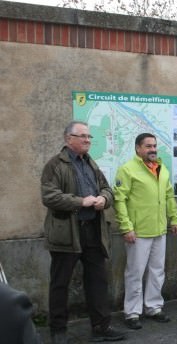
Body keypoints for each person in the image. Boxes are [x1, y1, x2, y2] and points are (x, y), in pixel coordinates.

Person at [41, 121, 125, 343]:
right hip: (66, 233)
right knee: (60, 283)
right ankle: (58, 331)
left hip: (93, 232)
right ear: (68, 139)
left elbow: (107, 189)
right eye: (83, 136)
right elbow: (49, 197)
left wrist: (103, 199)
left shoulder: (90, 163)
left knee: (97, 280)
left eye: (89, 136)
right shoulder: (55, 164)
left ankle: (101, 327)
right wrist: (81, 201)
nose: (88, 140)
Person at [113, 133, 177, 330]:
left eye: (154, 146)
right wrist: (126, 227)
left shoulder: (162, 169)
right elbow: (119, 200)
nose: (152, 149)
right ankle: (132, 312)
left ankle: (153, 307)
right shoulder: (127, 170)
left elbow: (169, 196)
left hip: (160, 230)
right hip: (138, 232)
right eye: (148, 146)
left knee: (157, 271)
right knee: (135, 272)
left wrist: (174, 219)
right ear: (138, 148)